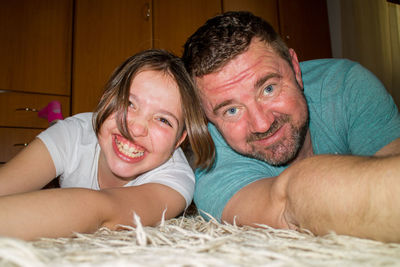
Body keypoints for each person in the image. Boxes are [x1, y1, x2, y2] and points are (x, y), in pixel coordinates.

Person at [182, 11, 400, 242]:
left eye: (268, 88)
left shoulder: (346, 86)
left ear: (295, 68)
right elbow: (287, 208)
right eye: (231, 111)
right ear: (207, 116)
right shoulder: (211, 164)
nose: (262, 124)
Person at [0, 49, 215, 240]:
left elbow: (103, 212)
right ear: (105, 100)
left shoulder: (176, 180)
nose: (137, 128)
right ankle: (54, 117)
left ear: (179, 140)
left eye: (163, 120)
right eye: (129, 103)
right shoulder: (74, 133)